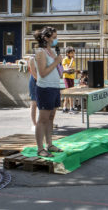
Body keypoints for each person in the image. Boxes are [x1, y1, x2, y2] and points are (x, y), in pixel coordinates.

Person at [33, 27, 65, 158]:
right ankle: (40, 148)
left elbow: (55, 71)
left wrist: (60, 66)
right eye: (53, 37)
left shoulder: (51, 51)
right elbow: (43, 73)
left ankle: (50, 144)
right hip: (45, 88)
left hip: (54, 87)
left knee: (51, 118)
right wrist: (56, 62)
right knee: (43, 119)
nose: (55, 40)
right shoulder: (41, 52)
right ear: (46, 38)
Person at [61, 47, 77, 113]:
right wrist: (72, 61)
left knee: (71, 92)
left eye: (74, 52)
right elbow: (68, 68)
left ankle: (69, 107)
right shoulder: (65, 60)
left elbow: (72, 68)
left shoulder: (72, 60)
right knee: (68, 91)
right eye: (71, 53)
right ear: (68, 53)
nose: (73, 54)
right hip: (67, 77)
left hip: (72, 77)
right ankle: (67, 107)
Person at [27, 54, 38, 131]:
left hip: (42, 80)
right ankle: (34, 124)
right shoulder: (32, 58)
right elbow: (33, 73)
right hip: (35, 81)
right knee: (34, 103)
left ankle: (45, 122)